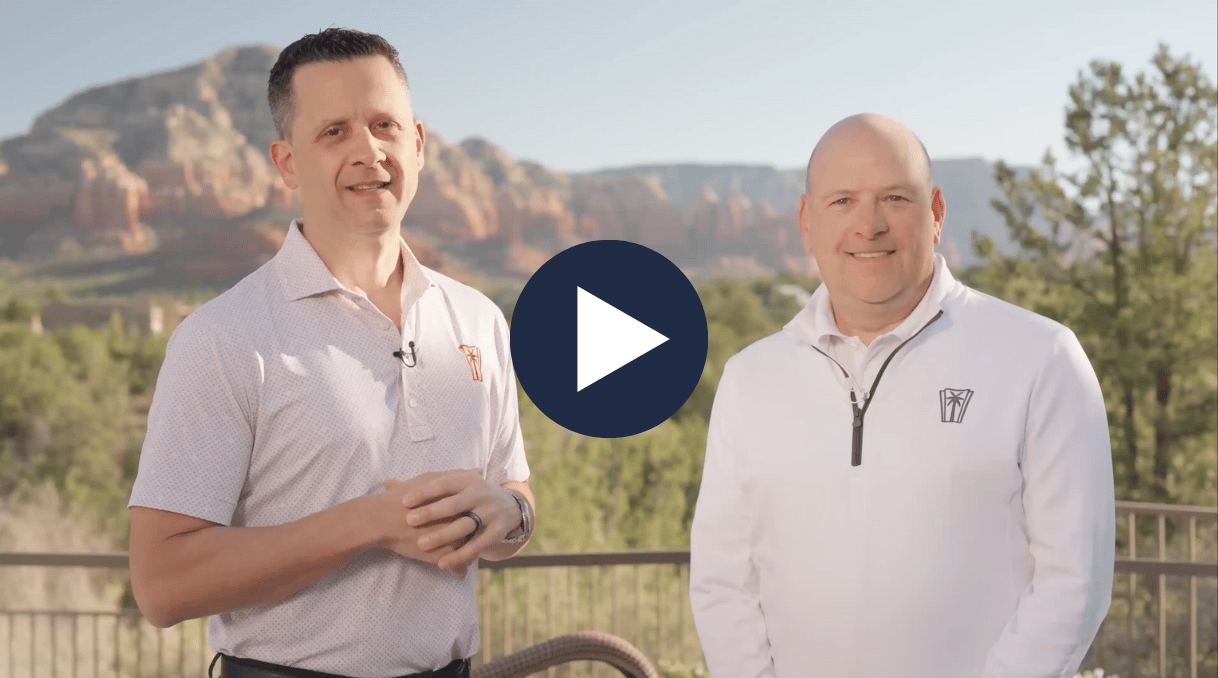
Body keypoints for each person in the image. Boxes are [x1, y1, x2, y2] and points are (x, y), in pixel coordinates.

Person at [126, 28, 534, 678]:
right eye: (334, 132)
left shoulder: (479, 320)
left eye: (384, 125)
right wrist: (365, 525)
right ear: (287, 162)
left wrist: (510, 512)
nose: (368, 150)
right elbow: (161, 585)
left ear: (419, 144)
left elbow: (513, 489)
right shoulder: (223, 338)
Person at [688, 113, 1114, 677]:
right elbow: (723, 580)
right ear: (805, 221)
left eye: (894, 197)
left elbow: (1073, 583)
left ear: (935, 213)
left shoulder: (1041, 358)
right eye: (842, 201)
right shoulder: (749, 378)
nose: (869, 225)